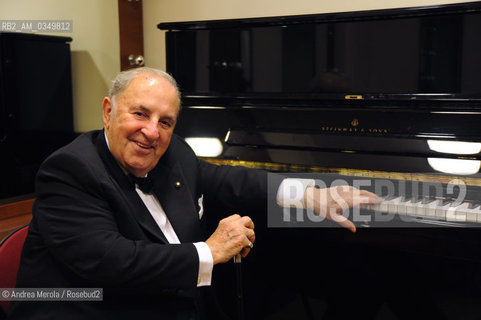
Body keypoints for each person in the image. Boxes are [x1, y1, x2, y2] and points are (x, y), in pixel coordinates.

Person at [7, 67, 379, 320]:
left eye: (165, 122)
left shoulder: (175, 152)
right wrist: (210, 251)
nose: (152, 132)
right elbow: (113, 261)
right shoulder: (69, 170)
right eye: (140, 114)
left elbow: (225, 180)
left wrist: (306, 193)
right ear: (108, 111)